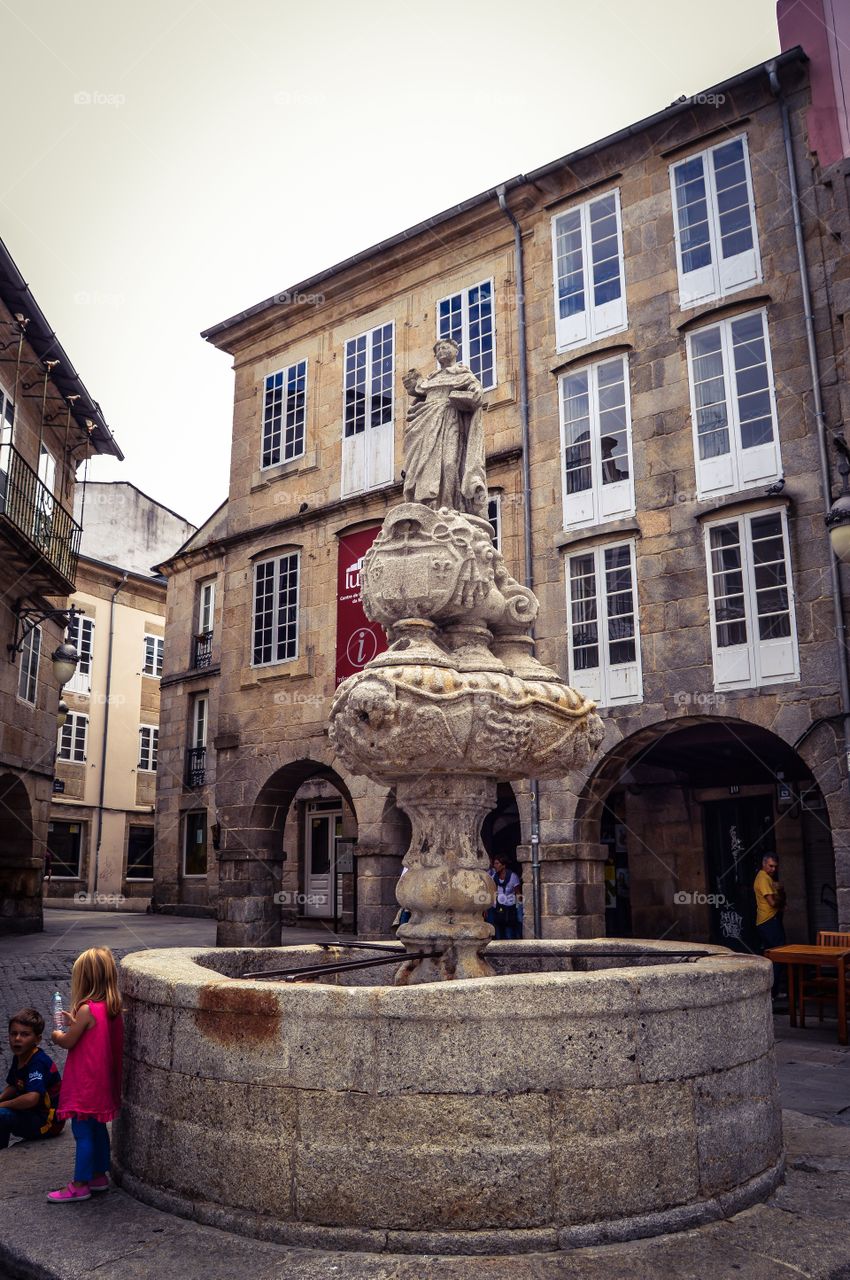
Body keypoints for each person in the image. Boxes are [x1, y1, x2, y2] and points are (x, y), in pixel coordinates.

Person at [47, 947, 124, 1203]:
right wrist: (75, 1023)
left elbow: (68, 1042)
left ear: (85, 979)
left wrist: (57, 1034)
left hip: (85, 1084)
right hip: (102, 1083)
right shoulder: (111, 1007)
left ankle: (79, 1184)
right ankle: (99, 1175)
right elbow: (92, 1033)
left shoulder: (87, 1009)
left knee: (81, 1131)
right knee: (98, 1127)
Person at [402, 338, 487, 517]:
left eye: (445, 347)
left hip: (450, 418)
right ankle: (429, 505)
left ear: (456, 351)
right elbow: (419, 392)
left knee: (449, 463)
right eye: (438, 349)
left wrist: (474, 393)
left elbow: (476, 391)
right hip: (427, 421)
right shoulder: (432, 378)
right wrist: (412, 385)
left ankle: (449, 504)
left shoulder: (462, 373)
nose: (441, 351)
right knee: (425, 464)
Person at [0, 1008, 64, 1149]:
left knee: (1, 1114)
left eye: (25, 1034)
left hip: (47, 1122)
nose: (17, 1038)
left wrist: (3, 1104)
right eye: (14, 1034)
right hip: (32, 1112)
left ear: (37, 1039)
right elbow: (14, 1085)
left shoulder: (38, 1062)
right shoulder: (19, 1057)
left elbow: (32, 1098)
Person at [754, 853, 787, 999]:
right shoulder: (763, 878)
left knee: (773, 956)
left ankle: (771, 992)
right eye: (770, 866)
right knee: (777, 955)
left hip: (768, 921)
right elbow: (773, 903)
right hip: (769, 921)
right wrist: (781, 895)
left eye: (775, 866)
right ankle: (773, 992)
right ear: (764, 864)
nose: (773, 869)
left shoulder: (766, 878)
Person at [488, 857, 522, 940]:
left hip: (509, 906)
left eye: (497, 863)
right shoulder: (494, 877)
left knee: (509, 930)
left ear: (503, 865)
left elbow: (518, 893)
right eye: (494, 863)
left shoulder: (513, 877)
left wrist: (518, 907)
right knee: (497, 927)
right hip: (498, 906)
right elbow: (493, 892)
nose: (495, 866)